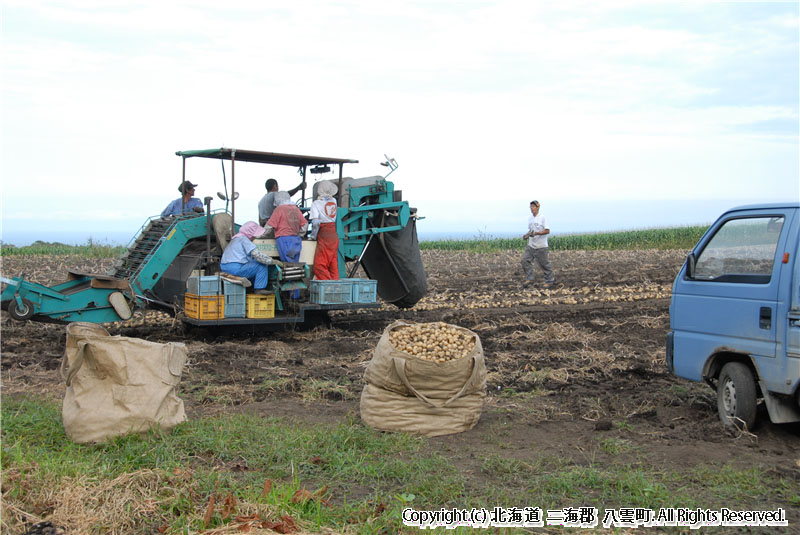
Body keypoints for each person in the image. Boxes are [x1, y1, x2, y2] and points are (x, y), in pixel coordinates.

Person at [220, 222, 283, 294]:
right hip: (235, 269)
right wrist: (272, 261)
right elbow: (257, 255)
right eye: (254, 236)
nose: (255, 237)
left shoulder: (236, 239)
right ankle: (259, 289)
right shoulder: (244, 239)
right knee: (261, 266)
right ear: (250, 233)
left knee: (254, 270)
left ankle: (251, 289)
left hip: (226, 268)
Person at [267, 191, 308, 298]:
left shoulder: (279, 209)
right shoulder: (295, 209)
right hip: (296, 240)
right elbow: (304, 225)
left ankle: (290, 296)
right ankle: (296, 296)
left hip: (283, 240)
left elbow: (269, 226)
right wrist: (300, 234)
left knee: (287, 267)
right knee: (296, 267)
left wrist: (260, 235)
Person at [309, 181, 339, 280]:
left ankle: (327, 287)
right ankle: (336, 287)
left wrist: (312, 236)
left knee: (319, 266)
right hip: (333, 235)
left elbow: (316, 223)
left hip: (324, 235)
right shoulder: (334, 201)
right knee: (332, 264)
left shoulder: (316, 204)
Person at [521, 200, 555, 288]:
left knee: (544, 264)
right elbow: (531, 230)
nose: (532, 208)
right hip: (531, 245)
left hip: (541, 246)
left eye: (533, 206)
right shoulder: (530, 218)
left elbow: (547, 230)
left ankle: (549, 281)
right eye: (531, 207)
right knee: (525, 260)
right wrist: (527, 235)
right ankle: (530, 278)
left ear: (537, 207)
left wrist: (537, 233)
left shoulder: (543, 218)